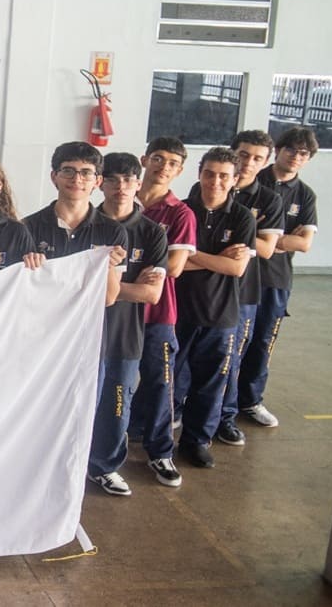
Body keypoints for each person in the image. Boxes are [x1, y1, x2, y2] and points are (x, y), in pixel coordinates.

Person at [86, 153, 166, 497]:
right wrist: (124, 287)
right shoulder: (84, 224)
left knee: (116, 406)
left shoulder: (151, 232)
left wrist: (102, 288)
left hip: (124, 335)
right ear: (100, 183)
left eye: (128, 179)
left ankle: (104, 467)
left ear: (138, 183)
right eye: (113, 179)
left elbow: (151, 293)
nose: (120, 186)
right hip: (80, 333)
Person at [173, 147, 256, 470]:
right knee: (169, 381)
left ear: (235, 180)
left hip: (221, 315)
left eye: (224, 176)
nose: (215, 181)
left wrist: (192, 255)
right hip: (179, 312)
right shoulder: (182, 211)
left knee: (210, 384)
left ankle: (196, 442)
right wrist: (217, 259)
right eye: (209, 173)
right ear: (199, 174)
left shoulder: (242, 217)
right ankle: (158, 439)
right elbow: (173, 265)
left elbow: (236, 268)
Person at [205, 131, 283, 447]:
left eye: (257, 158)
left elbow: (266, 248)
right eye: (244, 154)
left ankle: (226, 418)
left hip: (245, 291)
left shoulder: (269, 200)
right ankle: (192, 414)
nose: (249, 162)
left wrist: (240, 244)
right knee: (202, 357)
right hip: (208, 288)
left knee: (232, 358)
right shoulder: (208, 186)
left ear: (266, 162)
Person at [239, 126, 319, 427]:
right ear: (277, 151)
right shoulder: (253, 180)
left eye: (303, 153)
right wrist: (281, 239)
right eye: (291, 150)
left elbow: (305, 243)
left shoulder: (304, 195)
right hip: (241, 273)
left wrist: (270, 240)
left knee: (262, 342)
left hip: (276, 279)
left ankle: (250, 400)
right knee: (233, 342)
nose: (296, 156)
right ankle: (219, 402)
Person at [130, 136, 197, 488]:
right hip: (119, 311)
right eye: (157, 158)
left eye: (172, 163)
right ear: (145, 160)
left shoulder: (180, 213)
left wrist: (129, 266)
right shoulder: (121, 199)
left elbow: (174, 266)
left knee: (160, 383)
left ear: (180, 171)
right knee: (111, 381)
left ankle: (160, 452)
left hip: (158, 313)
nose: (163, 167)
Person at [21, 142, 128, 308]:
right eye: (68, 171)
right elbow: (20, 290)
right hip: (39, 319)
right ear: (54, 176)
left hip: (86, 322)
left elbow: (108, 298)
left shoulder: (113, 231)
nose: (77, 179)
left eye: (86, 172)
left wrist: (107, 265)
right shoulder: (27, 227)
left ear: (98, 181)